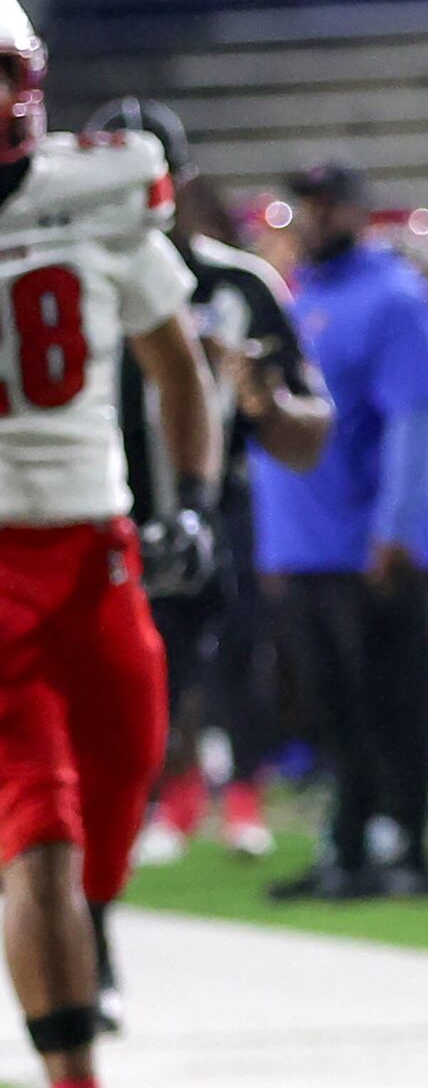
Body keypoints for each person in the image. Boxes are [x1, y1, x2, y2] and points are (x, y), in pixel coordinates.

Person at [0, 0, 222, 1088]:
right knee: (40, 832)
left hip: (95, 554)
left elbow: (174, 364)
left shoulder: (89, 201)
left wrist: (187, 499)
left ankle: (83, 943)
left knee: (119, 795)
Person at [99, 98, 333, 878]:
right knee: (127, 669)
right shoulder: (69, 274)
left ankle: (228, 798)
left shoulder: (239, 283)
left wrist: (264, 398)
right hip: (99, 504)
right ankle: (147, 798)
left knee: (237, 656)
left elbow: (308, 428)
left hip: (215, 501)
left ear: (179, 181)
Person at [255, 163, 428, 902]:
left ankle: (405, 845)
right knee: (330, 708)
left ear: (354, 214)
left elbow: (416, 419)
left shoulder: (393, 297)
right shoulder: (295, 296)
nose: (308, 219)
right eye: (302, 205)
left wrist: (396, 528)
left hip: (367, 544)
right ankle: (346, 844)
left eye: (323, 206)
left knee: (388, 703)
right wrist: (276, 542)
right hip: (305, 543)